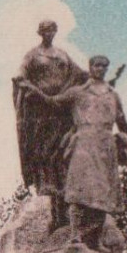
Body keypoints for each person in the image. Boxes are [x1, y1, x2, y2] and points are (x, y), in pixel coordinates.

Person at [20, 55, 127, 252]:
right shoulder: (78, 93)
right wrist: (34, 91)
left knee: (103, 195)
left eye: (104, 66)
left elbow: (123, 123)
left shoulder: (113, 95)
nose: (101, 69)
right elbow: (52, 102)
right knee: (78, 191)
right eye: (97, 65)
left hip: (105, 147)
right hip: (83, 144)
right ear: (91, 67)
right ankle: (75, 235)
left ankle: (96, 240)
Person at [12, 20, 87, 223]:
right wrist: (34, 91)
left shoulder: (62, 54)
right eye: (45, 30)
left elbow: (80, 74)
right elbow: (20, 76)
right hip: (40, 107)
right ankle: (45, 183)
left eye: (52, 29)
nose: (49, 33)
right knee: (43, 147)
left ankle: (62, 185)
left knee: (62, 147)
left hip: (60, 106)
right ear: (40, 32)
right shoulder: (32, 55)